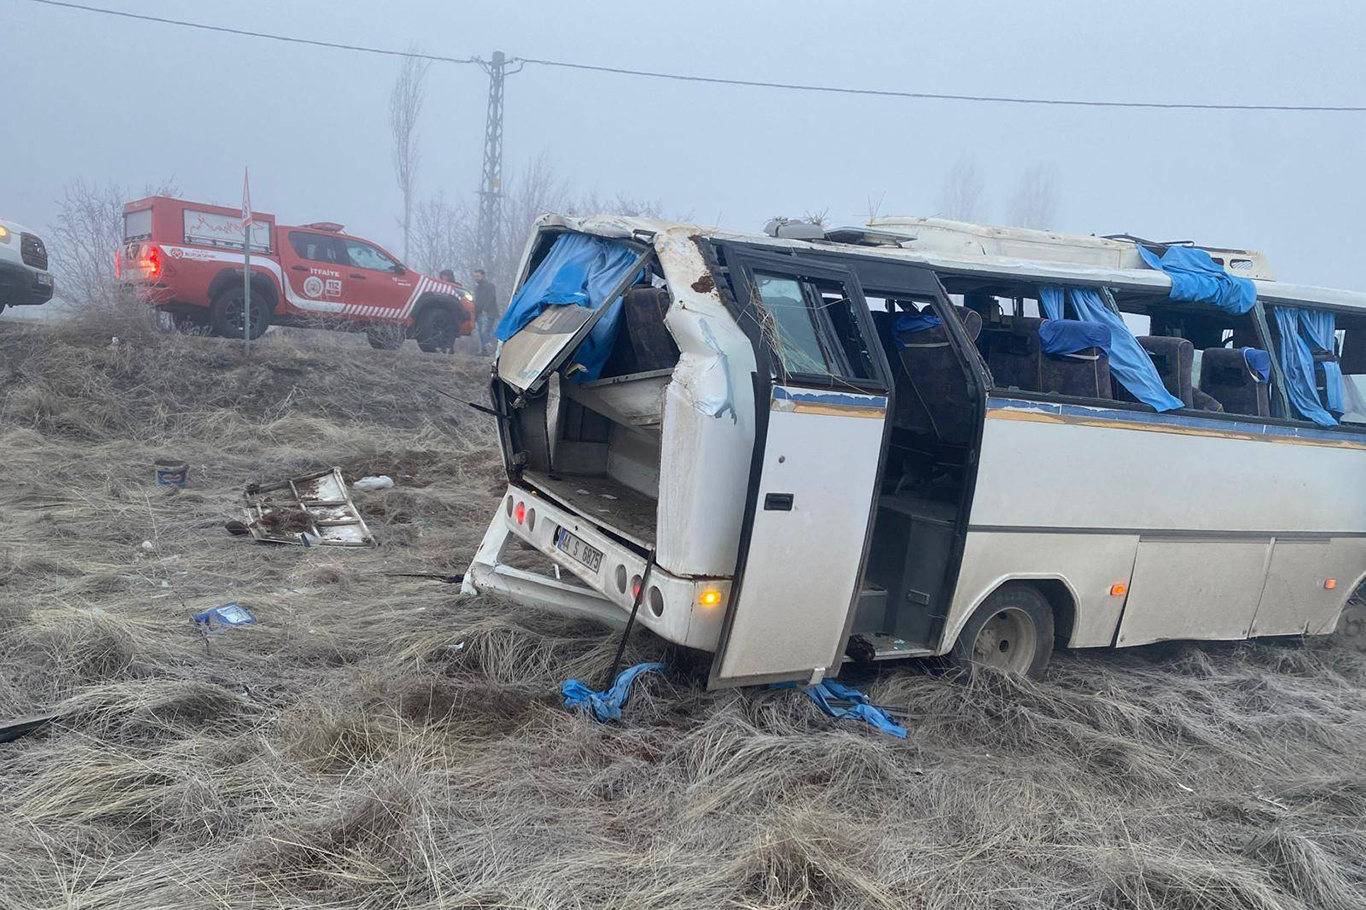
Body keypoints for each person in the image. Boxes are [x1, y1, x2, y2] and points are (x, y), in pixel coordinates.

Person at [472, 268, 499, 355]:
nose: (476, 278)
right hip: (479, 314)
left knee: (485, 332)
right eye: (475, 276)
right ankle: (484, 350)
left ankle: (490, 350)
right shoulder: (477, 288)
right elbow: (476, 300)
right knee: (480, 333)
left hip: (488, 313)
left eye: (478, 276)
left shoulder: (490, 286)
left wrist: (485, 309)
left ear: (483, 276)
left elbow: (491, 298)